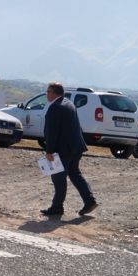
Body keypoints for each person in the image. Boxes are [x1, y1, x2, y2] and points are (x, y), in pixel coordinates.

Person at [41, 82, 98, 217]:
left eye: (48, 91)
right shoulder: (68, 103)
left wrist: (49, 151)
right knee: (74, 174)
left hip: (62, 149)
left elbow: (52, 132)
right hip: (76, 147)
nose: (46, 94)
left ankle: (57, 207)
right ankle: (89, 200)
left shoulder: (55, 107)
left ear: (54, 93)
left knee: (59, 178)